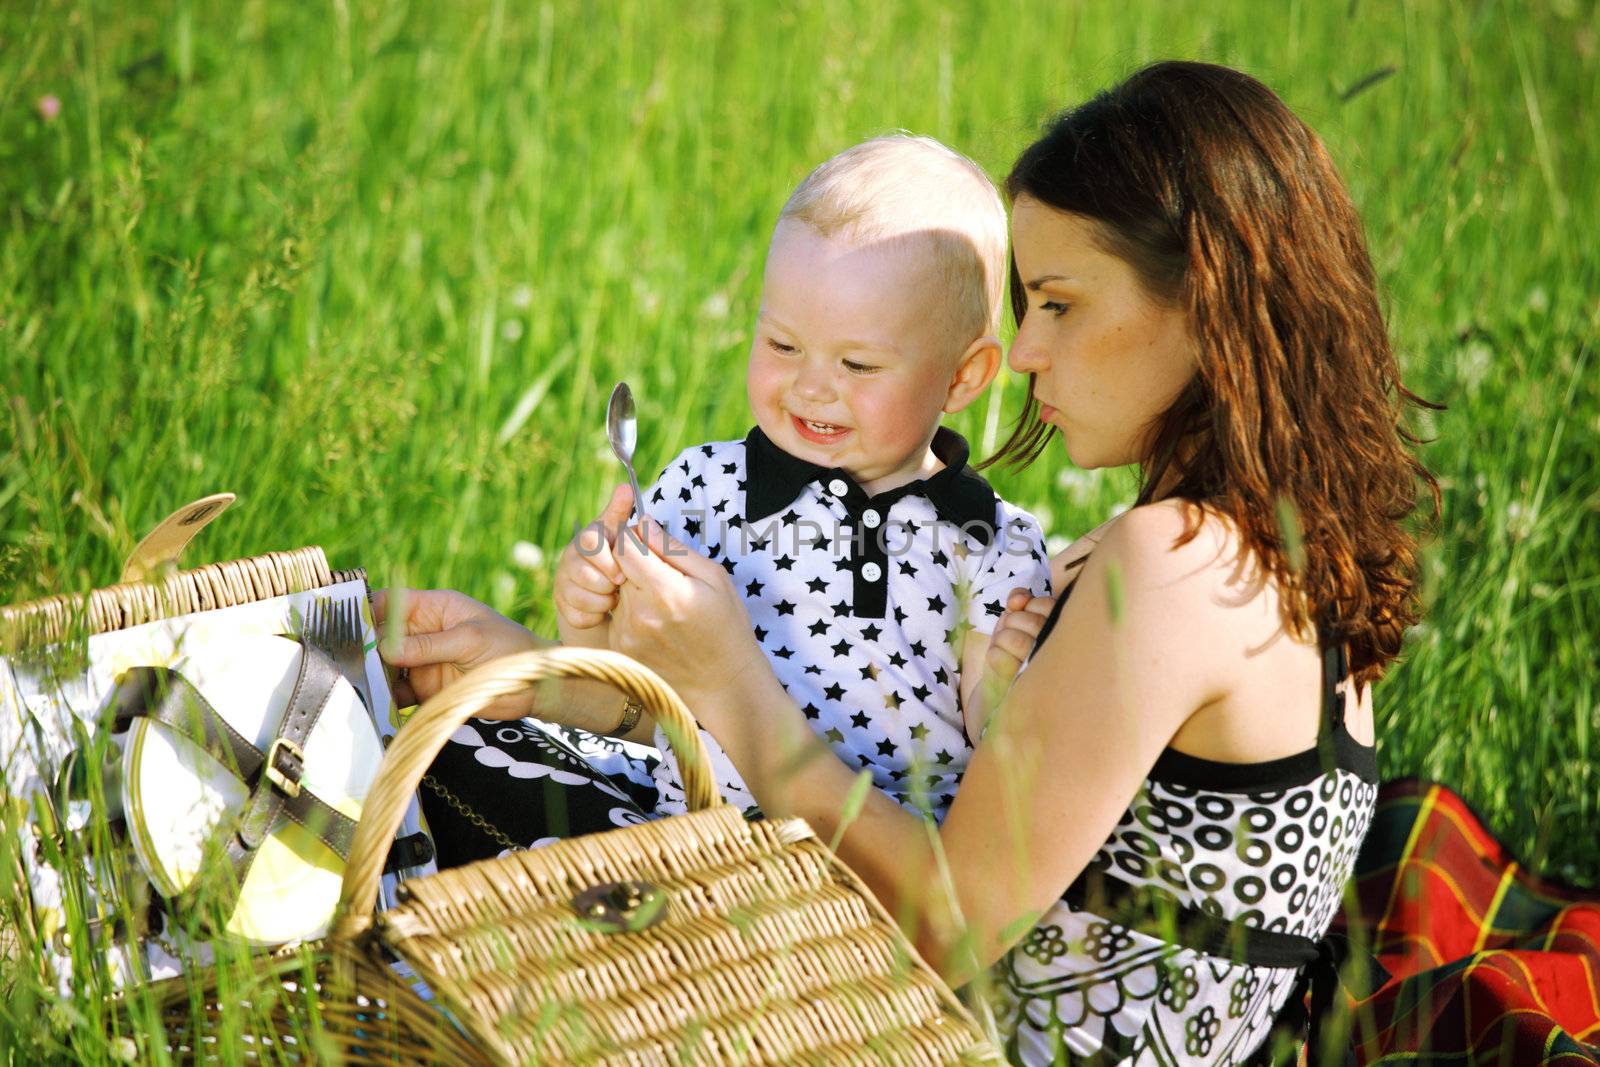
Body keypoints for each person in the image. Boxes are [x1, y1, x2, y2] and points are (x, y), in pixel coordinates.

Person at [380, 61, 1437, 1064]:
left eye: (1059, 304)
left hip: (936, 1033)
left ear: (1206, 303)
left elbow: (944, 926)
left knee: (434, 793)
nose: (1025, 353)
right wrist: (532, 661)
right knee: (480, 753)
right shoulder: (1272, 557)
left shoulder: (1174, 564)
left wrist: (731, 679)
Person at [396, 134, 1052, 865]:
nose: (811, 386)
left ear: (964, 377)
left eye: (857, 363)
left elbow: (1009, 775)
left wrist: (1003, 686)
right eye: (781, 345)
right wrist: (592, 626)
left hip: (863, 877)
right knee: (452, 743)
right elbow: (635, 702)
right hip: (687, 835)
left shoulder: (989, 541)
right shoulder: (709, 487)